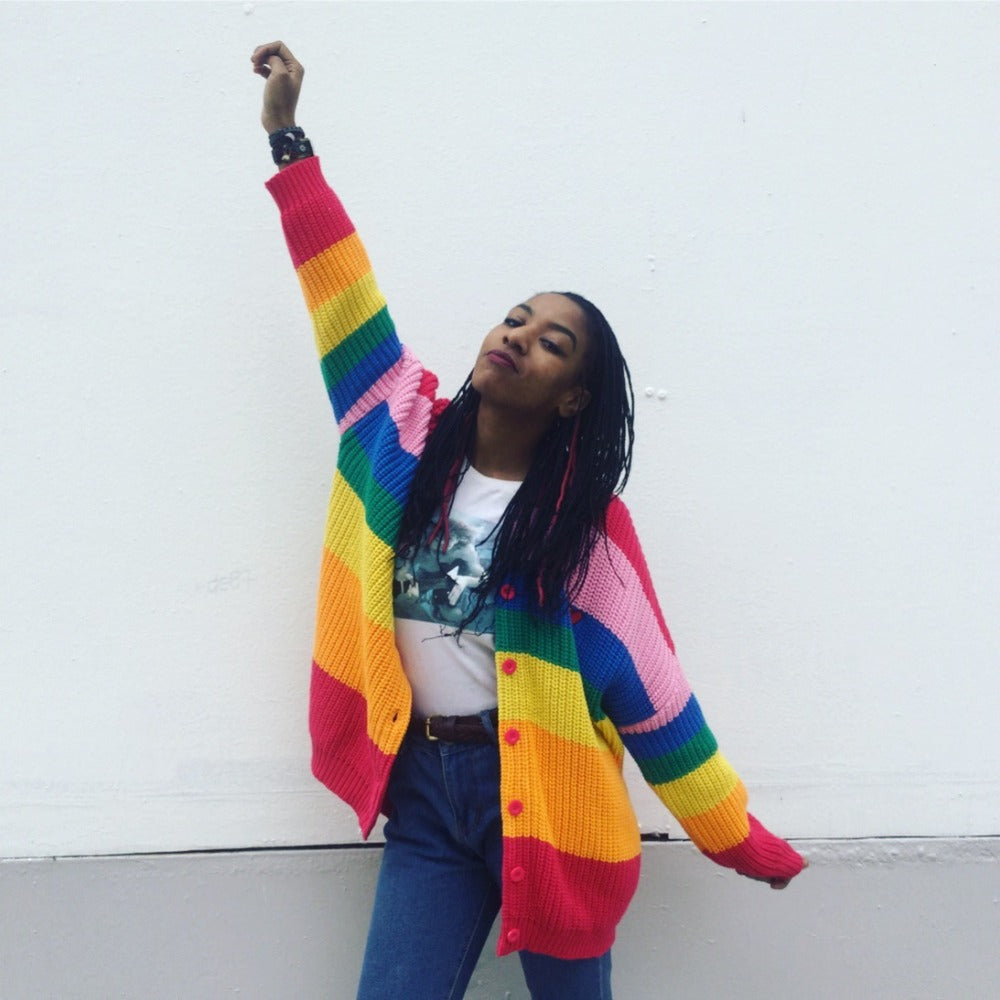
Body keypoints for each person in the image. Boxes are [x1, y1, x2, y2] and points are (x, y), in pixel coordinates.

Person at [251, 41, 806, 1000]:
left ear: (572, 399)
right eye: (516, 317)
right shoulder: (396, 426)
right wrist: (290, 143)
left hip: (551, 809)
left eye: (553, 342)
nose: (520, 335)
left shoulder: (584, 536)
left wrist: (735, 836)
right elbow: (340, 291)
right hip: (424, 794)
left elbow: (657, 698)